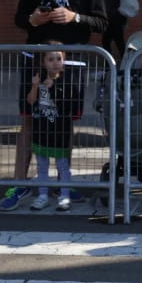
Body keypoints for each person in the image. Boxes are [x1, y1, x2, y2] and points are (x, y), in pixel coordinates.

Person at [1, 0, 107, 211]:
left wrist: (74, 17)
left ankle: (64, 181)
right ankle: (20, 183)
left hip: (70, 60)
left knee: (63, 122)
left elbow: (101, 21)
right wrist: (34, 19)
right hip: (36, 56)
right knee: (29, 119)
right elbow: (20, 18)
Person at [26, 47, 85, 210]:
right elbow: (30, 101)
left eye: (58, 59)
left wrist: (53, 88)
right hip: (42, 130)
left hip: (60, 131)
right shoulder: (39, 79)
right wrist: (36, 86)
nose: (55, 63)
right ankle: (42, 195)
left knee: (63, 166)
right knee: (42, 166)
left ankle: (64, 195)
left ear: (63, 61)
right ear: (44, 63)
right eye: (50, 60)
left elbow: (70, 105)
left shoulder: (67, 80)